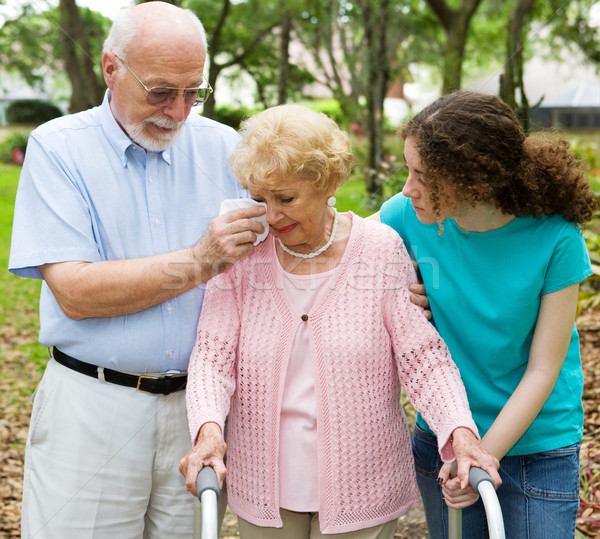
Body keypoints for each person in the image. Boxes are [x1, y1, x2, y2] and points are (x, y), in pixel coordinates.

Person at [178, 103, 501, 539]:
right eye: (259, 199)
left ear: (329, 182)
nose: (270, 217)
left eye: (286, 199)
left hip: (362, 489)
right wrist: (209, 432)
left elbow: (422, 358)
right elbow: (213, 357)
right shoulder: (241, 253)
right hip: (263, 489)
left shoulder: (380, 250)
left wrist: (460, 431)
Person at [8, 3, 267, 537]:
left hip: (202, 415)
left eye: (194, 92)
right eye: (160, 91)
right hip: (93, 408)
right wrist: (201, 260)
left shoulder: (227, 150)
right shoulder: (58, 148)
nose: (177, 111)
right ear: (110, 68)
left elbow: (290, 243)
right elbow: (76, 292)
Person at [373, 90, 596, 538]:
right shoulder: (405, 215)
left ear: (473, 181)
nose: (406, 188)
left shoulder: (555, 237)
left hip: (540, 445)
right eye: (407, 170)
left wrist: (480, 456)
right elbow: (340, 258)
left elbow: (543, 369)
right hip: (446, 437)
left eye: (423, 176)